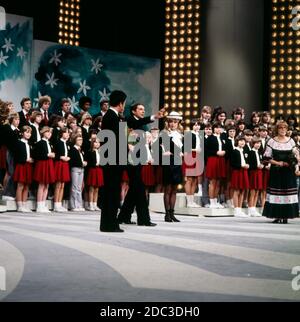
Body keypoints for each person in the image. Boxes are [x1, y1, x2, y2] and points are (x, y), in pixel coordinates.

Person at [117, 103, 164, 226]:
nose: (143, 111)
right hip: (130, 159)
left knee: (134, 189)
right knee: (140, 188)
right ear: (133, 111)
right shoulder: (130, 120)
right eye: (140, 109)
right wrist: (154, 117)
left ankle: (123, 217)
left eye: (144, 109)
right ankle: (144, 219)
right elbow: (132, 135)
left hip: (137, 159)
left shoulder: (140, 124)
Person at [100, 90, 127, 233]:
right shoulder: (112, 117)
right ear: (121, 103)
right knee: (112, 193)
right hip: (113, 162)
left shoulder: (110, 116)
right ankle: (110, 224)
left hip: (111, 161)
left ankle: (107, 223)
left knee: (110, 193)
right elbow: (118, 142)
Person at [263, 121, 299, 224]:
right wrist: (278, 163)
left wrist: (296, 166)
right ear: (277, 129)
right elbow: (266, 158)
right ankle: (277, 215)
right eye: (280, 128)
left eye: (284, 128)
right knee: (277, 192)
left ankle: (286, 216)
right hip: (276, 171)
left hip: (289, 171)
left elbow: (296, 155)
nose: (283, 130)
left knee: (287, 193)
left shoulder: (291, 141)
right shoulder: (271, 141)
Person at [161, 112, 183, 223]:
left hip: (177, 162)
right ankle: (167, 214)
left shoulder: (180, 134)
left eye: (175, 122)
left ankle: (172, 213)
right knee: (168, 189)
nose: (173, 124)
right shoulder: (164, 134)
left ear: (178, 123)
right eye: (171, 122)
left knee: (175, 189)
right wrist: (163, 153)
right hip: (168, 162)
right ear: (168, 123)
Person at [33, 127, 56, 213]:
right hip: (42, 164)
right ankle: (39, 205)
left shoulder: (49, 143)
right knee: (42, 184)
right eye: (47, 132)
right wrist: (47, 155)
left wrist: (52, 155)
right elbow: (37, 155)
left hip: (49, 163)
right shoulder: (40, 143)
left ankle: (43, 204)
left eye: (50, 132)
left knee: (47, 185)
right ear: (43, 132)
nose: (49, 134)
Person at [205, 122, 227, 209]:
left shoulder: (222, 138)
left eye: (220, 128)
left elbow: (225, 148)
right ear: (214, 129)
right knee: (213, 182)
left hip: (221, 160)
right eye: (217, 128)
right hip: (213, 160)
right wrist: (216, 152)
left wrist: (224, 152)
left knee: (218, 182)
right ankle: (211, 202)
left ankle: (215, 201)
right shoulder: (210, 138)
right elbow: (206, 151)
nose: (218, 129)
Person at [13, 126, 34, 213]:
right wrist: (25, 159)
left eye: (30, 132)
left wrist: (32, 159)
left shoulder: (29, 144)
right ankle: (19, 205)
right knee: (20, 185)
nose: (28, 134)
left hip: (28, 166)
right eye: (26, 132)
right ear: (22, 133)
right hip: (21, 165)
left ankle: (24, 204)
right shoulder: (18, 143)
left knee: (27, 185)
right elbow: (16, 156)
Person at [183, 119, 202, 208]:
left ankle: (192, 201)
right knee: (189, 179)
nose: (197, 126)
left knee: (195, 180)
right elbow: (185, 148)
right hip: (190, 156)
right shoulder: (188, 134)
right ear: (192, 126)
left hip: (197, 156)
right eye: (195, 125)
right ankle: (189, 201)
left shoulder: (200, 135)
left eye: (198, 125)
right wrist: (195, 150)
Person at [230, 136, 250, 217]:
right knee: (236, 190)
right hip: (237, 171)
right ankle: (236, 210)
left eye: (243, 141)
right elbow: (232, 164)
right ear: (237, 141)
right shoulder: (234, 151)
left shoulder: (245, 151)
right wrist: (241, 166)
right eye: (240, 141)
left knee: (242, 190)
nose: (242, 142)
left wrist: (248, 165)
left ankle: (240, 208)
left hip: (244, 171)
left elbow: (247, 160)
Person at [53, 128, 71, 212]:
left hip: (65, 164)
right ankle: (56, 204)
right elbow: (55, 154)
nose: (67, 134)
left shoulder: (67, 143)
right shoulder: (58, 142)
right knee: (58, 184)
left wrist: (68, 157)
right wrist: (60, 157)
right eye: (65, 132)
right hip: (59, 164)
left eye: (68, 133)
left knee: (63, 184)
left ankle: (59, 204)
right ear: (61, 133)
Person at [69, 135, 87, 212]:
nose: (81, 141)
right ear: (75, 140)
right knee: (74, 187)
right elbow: (73, 161)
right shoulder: (73, 149)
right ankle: (73, 205)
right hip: (75, 169)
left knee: (79, 188)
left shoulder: (80, 150)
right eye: (79, 140)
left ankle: (79, 204)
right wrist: (81, 163)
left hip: (81, 169)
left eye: (81, 140)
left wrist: (84, 163)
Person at [248, 137, 264, 217]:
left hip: (259, 172)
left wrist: (261, 165)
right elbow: (250, 164)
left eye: (259, 143)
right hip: (253, 172)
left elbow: (261, 161)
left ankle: (254, 207)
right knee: (253, 191)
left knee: (257, 190)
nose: (258, 145)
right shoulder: (250, 152)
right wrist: (257, 166)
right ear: (253, 144)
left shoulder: (260, 153)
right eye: (256, 143)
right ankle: (250, 208)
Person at [86, 138, 103, 211]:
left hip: (99, 170)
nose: (97, 144)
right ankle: (90, 204)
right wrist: (94, 164)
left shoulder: (100, 152)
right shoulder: (90, 152)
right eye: (95, 142)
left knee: (97, 188)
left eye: (98, 143)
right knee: (91, 188)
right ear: (92, 143)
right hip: (92, 170)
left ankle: (95, 204)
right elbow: (89, 162)